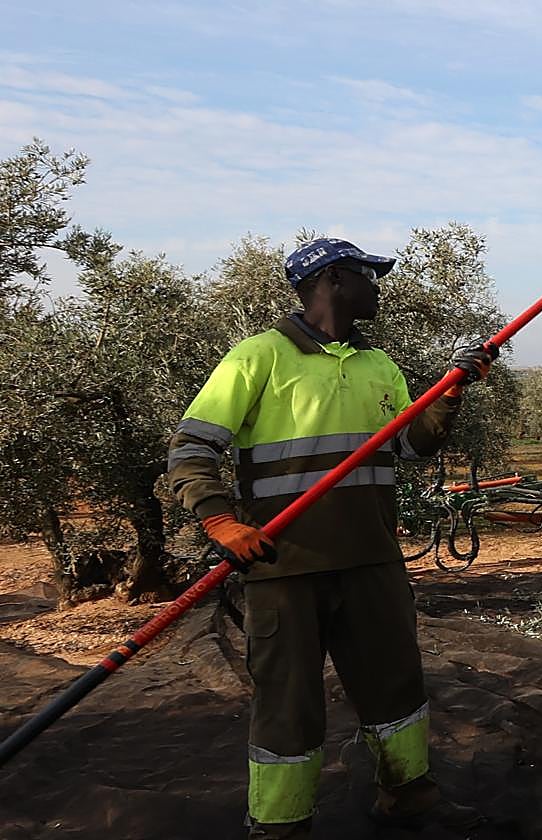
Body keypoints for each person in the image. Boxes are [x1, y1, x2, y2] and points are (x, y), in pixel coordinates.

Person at [166, 237, 495, 838]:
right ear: (334, 279)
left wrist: (450, 391)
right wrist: (220, 520)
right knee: (288, 706)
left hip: (371, 560)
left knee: (396, 688)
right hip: (284, 566)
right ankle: (281, 825)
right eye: (370, 275)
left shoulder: (379, 366)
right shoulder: (258, 358)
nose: (379, 286)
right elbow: (191, 450)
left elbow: (411, 445)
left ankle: (408, 795)